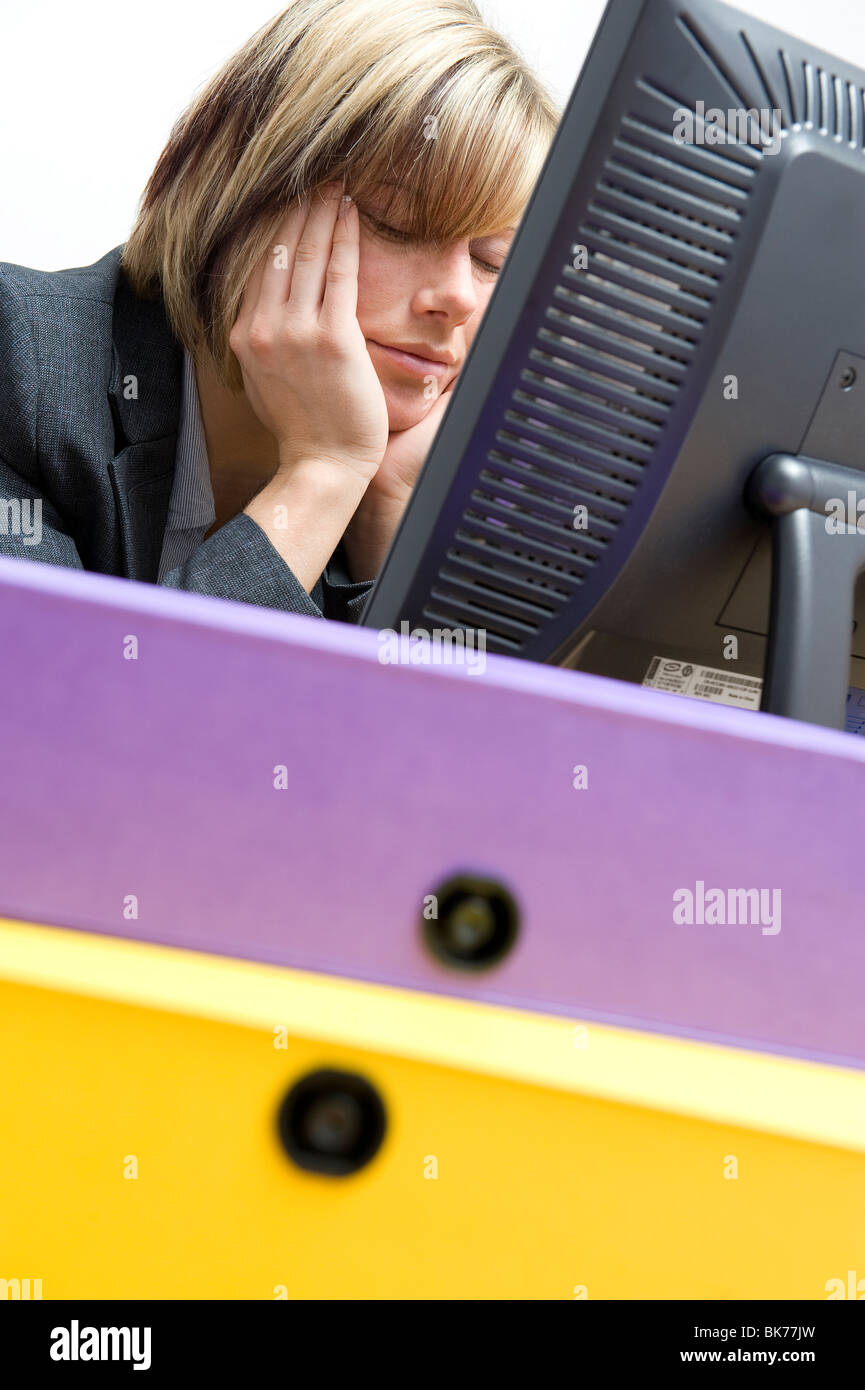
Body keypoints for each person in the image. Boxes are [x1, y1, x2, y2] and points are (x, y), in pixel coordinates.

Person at [0, 0, 558, 621]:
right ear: (241, 192)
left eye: (493, 260)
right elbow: (77, 712)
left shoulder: (490, 497)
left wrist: (392, 515)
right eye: (398, 225)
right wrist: (324, 473)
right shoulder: (20, 361)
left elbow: (451, 720)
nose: (457, 299)